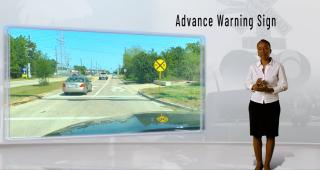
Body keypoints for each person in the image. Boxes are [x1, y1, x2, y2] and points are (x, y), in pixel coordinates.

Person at [245, 39, 288, 170]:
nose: (262, 51)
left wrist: (270, 89)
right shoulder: (252, 67)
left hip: (272, 104)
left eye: (265, 48)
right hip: (256, 104)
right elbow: (247, 83)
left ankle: (267, 164)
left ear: (270, 50)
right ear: (257, 51)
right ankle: (259, 163)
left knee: (270, 134)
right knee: (256, 135)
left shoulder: (278, 66)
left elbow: (284, 85)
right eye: (259, 48)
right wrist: (254, 85)